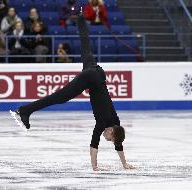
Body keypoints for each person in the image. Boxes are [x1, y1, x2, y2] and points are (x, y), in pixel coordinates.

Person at [14, 14, 134, 171]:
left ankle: (81, 19)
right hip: (91, 78)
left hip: (98, 73)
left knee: (86, 46)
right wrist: (95, 167)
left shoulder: (116, 122)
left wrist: (125, 164)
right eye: (109, 138)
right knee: (60, 97)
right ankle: (24, 110)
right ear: (111, 131)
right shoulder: (103, 124)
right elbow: (93, 144)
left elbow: (119, 144)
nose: (107, 139)